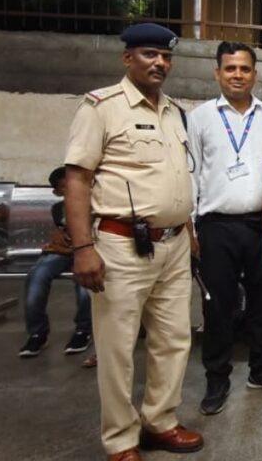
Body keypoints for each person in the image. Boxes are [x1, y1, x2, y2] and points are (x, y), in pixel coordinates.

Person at [63, 23, 203, 461]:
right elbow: (77, 178)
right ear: (128, 58)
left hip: (175, 244)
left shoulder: (174, 112)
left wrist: (190, 233)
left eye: (164, 56)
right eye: (148, 54)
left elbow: (178, 181)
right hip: (122, 245)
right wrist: (83, 247)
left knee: (174, 338)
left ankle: (160, 421)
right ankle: (121, 440)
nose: (159, 62)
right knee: (119, 346)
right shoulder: (101, 106)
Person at [187, 41, 262, 415]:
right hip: (216, 226)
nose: (237, 75)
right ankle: (217, 378)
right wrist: (191, 228)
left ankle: (261, 368)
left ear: (255, 74)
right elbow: (191, 174)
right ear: (217, 73)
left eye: (244, 68)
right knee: (218, 306)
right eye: (230, 68)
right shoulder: (199, 118)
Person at [18, 166, 92, 358]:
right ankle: (37, 333)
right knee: (37, 276)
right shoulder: (58, 209)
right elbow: (65, 232)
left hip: (88, 249)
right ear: (57, 192)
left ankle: (84, 330)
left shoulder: (96, 203)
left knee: (84, 282)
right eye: (65, 186)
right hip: (63, 251)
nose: (72, 188)